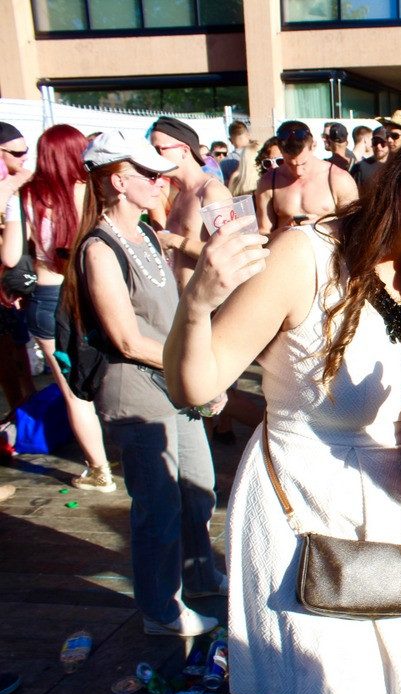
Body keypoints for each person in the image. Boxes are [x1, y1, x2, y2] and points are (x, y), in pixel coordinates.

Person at [163, 118, 401, 694]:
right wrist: (197, 301)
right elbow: (194, 384)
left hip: (399, 528)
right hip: (299, 517)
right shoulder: (306, 256)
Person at [70, 130, 225, 636]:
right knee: (156, 507)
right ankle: (161, 610)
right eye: (149, 174)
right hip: (135, 390)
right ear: (118, 181)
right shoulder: (100, 247)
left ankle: (200, 573)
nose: (161, 181)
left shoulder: (147, 234)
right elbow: (127, 338)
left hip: (170, 382)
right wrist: (194, 368)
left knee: (198, 486)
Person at [1, 124, 114, 491]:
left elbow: (9, 254)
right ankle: (121, 450)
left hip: (47, 298)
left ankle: (99, 470)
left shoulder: (27, 196)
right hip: (92, 291)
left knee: (71, 390)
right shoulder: (95, 191)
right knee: (107, 374)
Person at [149, 116, 232, 291]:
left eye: (159, 150)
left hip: (208, 306)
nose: (153, 157)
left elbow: (229, 252)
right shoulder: (181, 195)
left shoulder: (211, 191)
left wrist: (175, 241)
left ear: (184, 151)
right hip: (180, 303)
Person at [254, 121, 358, 234]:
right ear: (280, 150)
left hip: (326, 248)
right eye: (290, 164)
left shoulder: (339, 179)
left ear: (313, 146)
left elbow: (355, 225)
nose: (298, 171)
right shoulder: (269, 182)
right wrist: (285, 232)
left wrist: (322, 222)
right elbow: (264, 232)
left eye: (303, 163)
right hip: (286, 248)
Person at [0, 122, 37, 410]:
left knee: (16, 343)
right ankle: (16, 409)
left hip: (9, 279)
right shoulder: (11, 182)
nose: (25, 157)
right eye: (17, 152)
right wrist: (13, 184)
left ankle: (27, 402)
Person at [351, 126, 389, 193]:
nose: (378, 146)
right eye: (375, 142)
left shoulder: (395, 167)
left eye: (383, 143)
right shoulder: (360, 168)